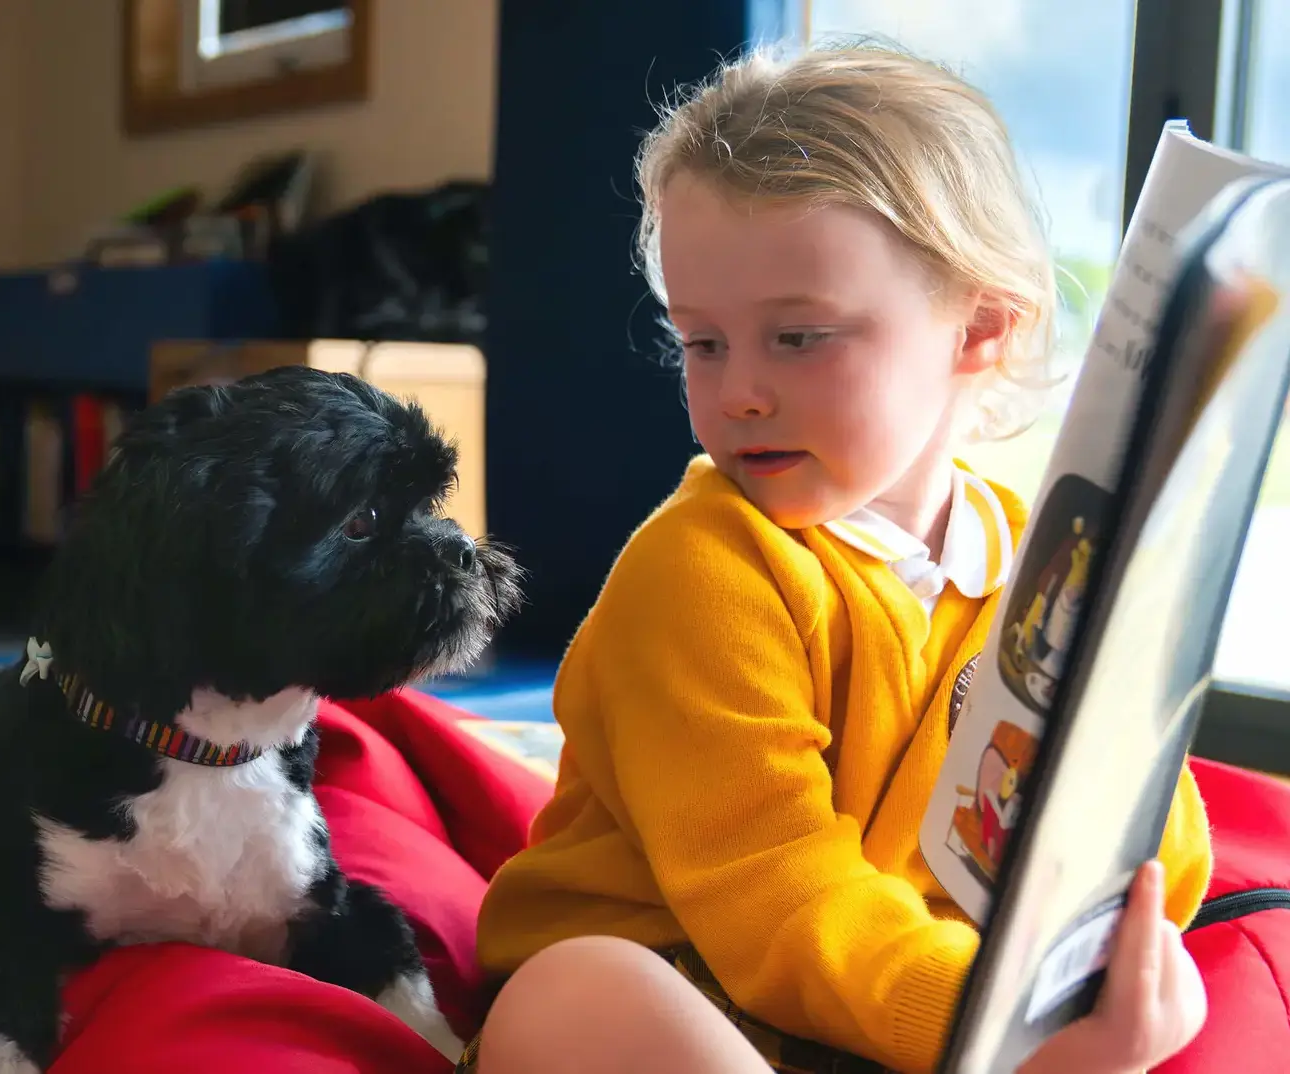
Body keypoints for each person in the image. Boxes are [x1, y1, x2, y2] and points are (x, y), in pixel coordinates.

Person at [465, 42, 1214, 1074]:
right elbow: (774, 890)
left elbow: (1149, 868)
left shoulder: (1038, 562)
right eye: (702, 342)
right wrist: (984, 1031)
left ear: (979, 331)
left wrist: (1127, 700)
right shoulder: (702, 568)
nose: (737, 395)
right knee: (571, 995)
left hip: (892, 999)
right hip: (694, 980)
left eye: (800, 338)